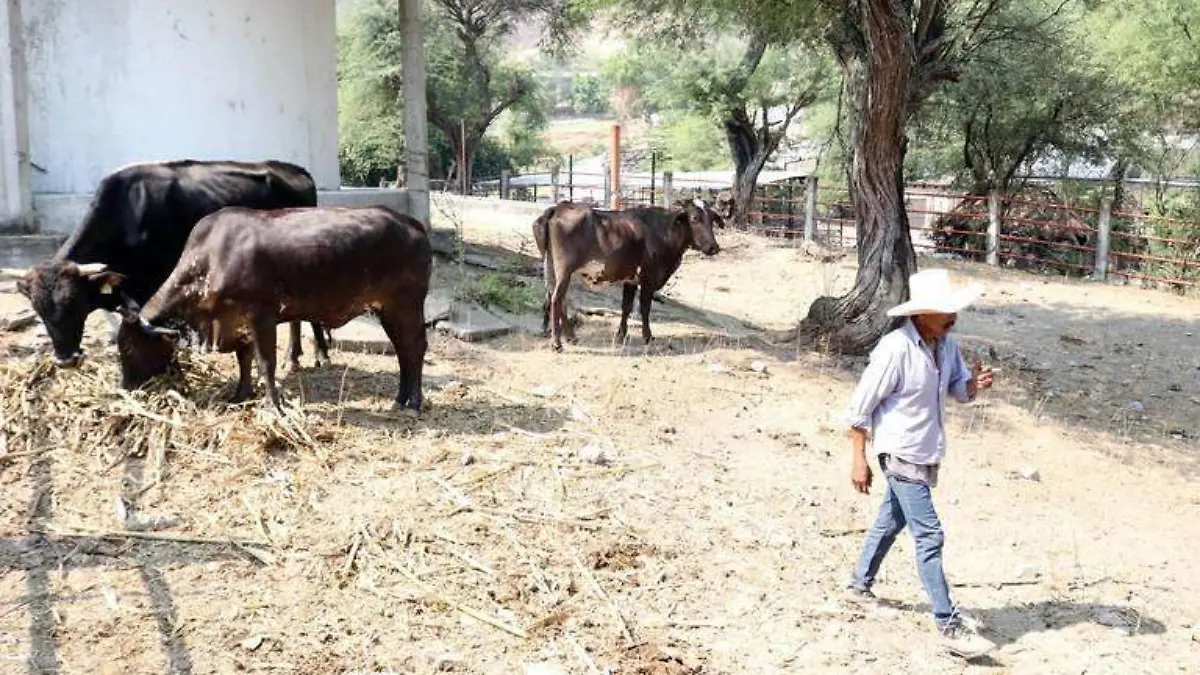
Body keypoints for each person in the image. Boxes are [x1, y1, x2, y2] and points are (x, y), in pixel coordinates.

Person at [841, 268, 998, 659]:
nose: (952, 317)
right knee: (930, 535)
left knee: (891, 521)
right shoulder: (895, 350)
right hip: (899, 452)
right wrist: (859, 459)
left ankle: (859, 586)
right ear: (920, 314)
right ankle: (947, 622)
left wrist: (975, 385)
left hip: (925, 450)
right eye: (944, 311)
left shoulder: (947, 345)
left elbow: (959, 391)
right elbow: (859, 410)